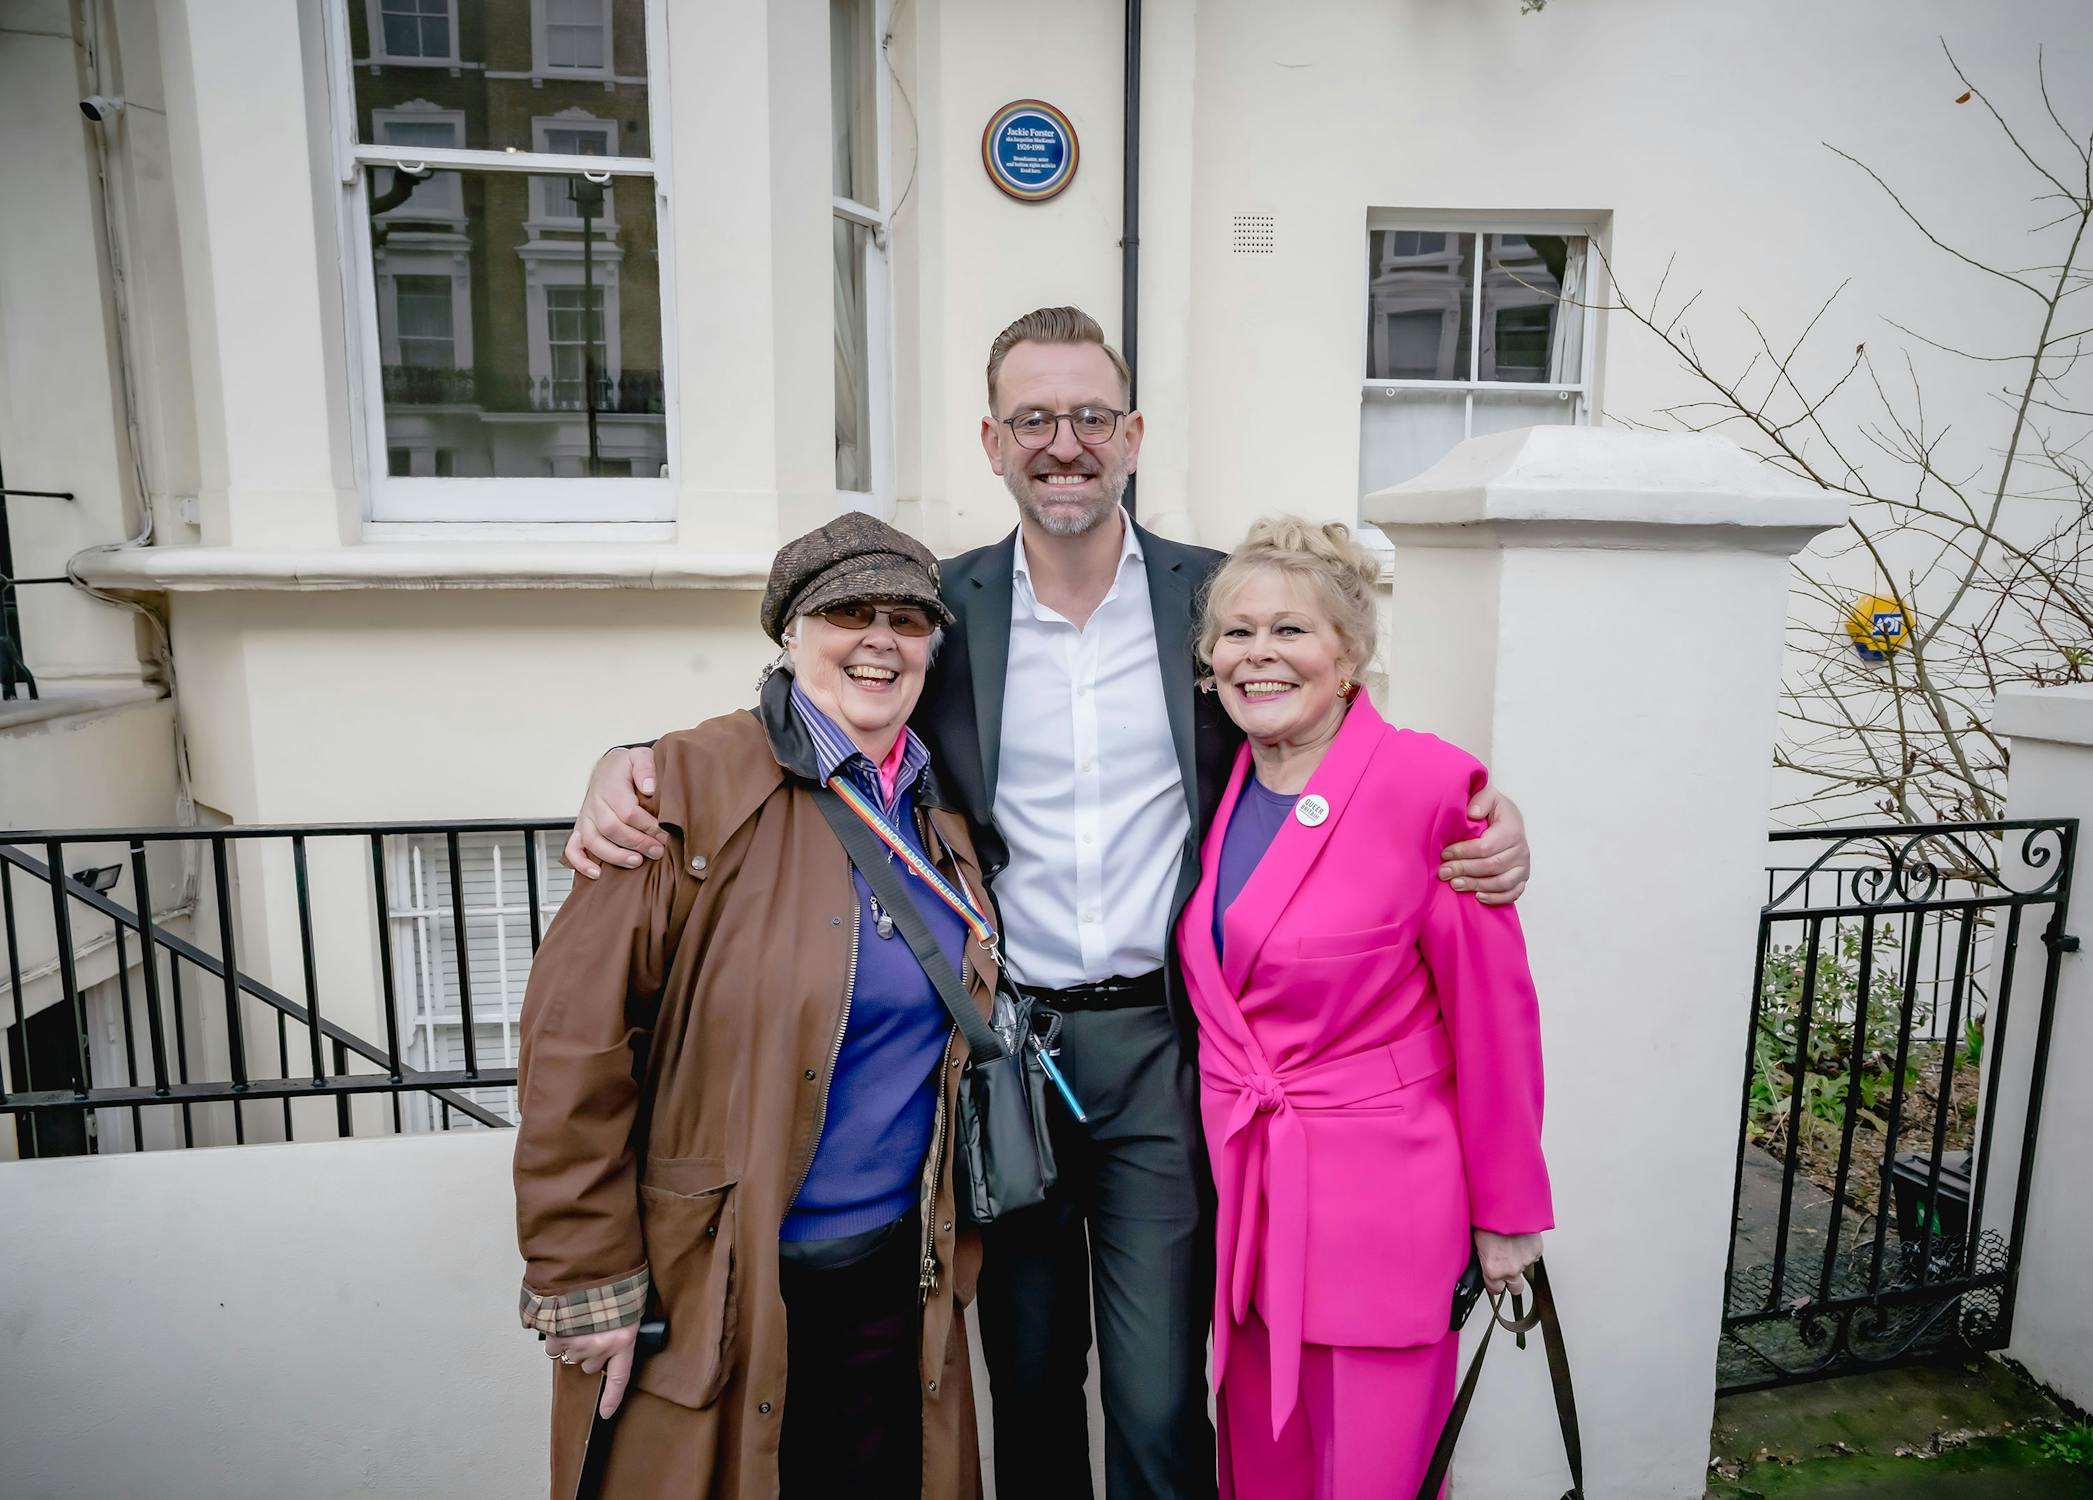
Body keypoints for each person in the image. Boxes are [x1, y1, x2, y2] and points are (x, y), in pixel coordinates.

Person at [560, 308, 1535, 1499]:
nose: (1060, 444)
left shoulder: (1207, 600)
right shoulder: (943, 611)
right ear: (991, 440)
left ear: (1128, 435)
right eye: (1032, 419)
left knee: (1162, 1394)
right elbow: (809, 709)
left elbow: (1321, 727)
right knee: (1021, 1385)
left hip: (1161, 1056)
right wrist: (632, 762)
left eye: (1086, 418)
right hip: (998, 1056)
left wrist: (1477, 812)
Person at [514, 513, 997, 1499]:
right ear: (788, 633)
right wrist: (581, 1273)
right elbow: (575, 1037)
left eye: (906, 620)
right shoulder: (680, 785)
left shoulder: (935, 812)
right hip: (726, 1278)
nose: (879, 638)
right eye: (848, 612)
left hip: (897, 1277)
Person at [1179, 516, 1552, 1499]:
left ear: (1346, 657)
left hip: (1379, 1211)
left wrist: (1506, 1214)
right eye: (1235, 631)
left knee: (1370, 1477)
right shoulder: (1216, 781)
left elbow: (1494, 1020)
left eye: (1289, 630)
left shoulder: (1427, 788)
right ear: (1208, 658)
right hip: (1249, 1211)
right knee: (1258, 1471)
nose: (1258, 654)